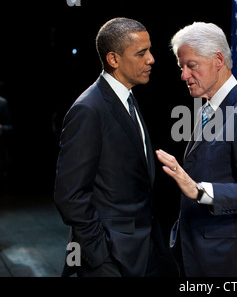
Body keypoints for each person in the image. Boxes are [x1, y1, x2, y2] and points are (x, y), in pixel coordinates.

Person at [155, 22, 237, 276]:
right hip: (199, 256)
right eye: (182, 67)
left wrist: (201, 191)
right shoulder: (207, 108)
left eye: (191, 65)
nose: (183, 75)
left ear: (218, 60)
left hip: (228, 264)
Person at [54, 17, 168, 277]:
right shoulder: (88, 109)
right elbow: (69, 195)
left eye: (149, 50)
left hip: (142, 250)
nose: (151, 59)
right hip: (110, 259)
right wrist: (99, 257)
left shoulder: (128, 98)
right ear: (113, 59)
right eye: (141, 53)